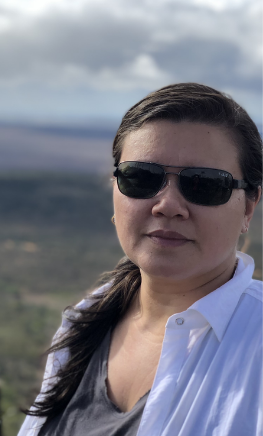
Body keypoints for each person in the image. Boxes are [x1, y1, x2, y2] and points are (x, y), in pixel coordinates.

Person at [17, 83, 261, 436]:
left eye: (205, 184)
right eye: (141, 177)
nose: (168, 206)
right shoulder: (84, 323)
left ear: (249, 207)